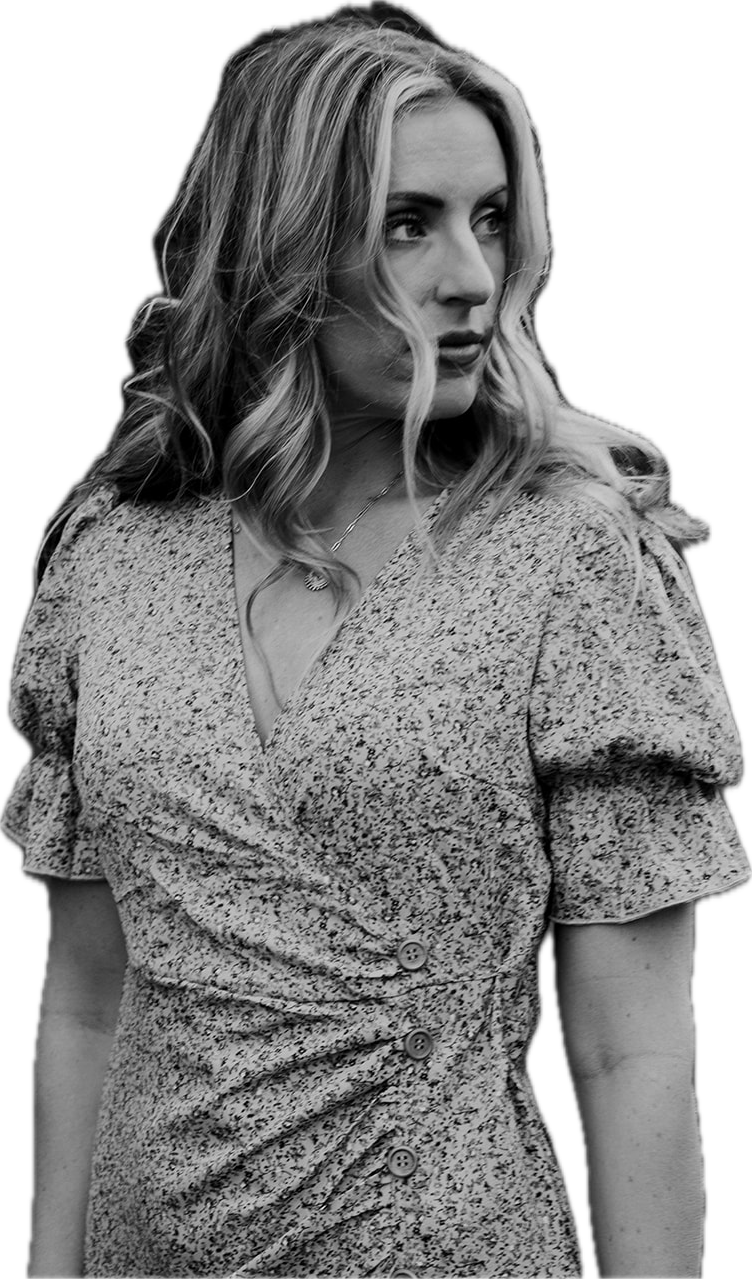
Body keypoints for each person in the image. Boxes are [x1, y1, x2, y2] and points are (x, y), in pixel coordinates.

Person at [3, 4, 749, 1277]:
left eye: (491, 218)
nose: (470, 274)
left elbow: (632, 1054)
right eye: (408, 222)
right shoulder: (113, 556)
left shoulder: (567, 558)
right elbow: (90, 998)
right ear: (278, 246)